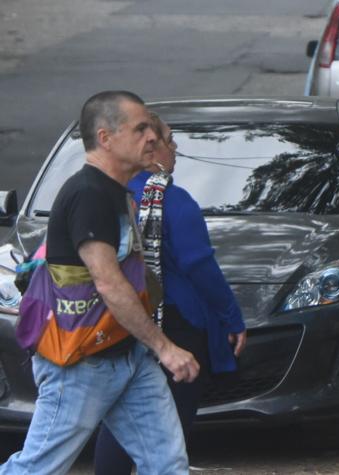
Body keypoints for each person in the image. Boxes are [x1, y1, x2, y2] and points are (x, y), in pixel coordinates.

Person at [3, 91, 199, 475]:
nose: (153, 138)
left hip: (126, 354)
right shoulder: (88, 193)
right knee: (37, 468)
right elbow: (109, 283)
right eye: (140, 128)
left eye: (151, 129)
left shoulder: (116, 193)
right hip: (81, 363)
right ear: (106, 138)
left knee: (167, 465)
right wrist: (165, 348)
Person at [94, 113, 248, 474]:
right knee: (168, 427)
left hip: (121, 323)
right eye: (169, 140)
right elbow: (200, 267)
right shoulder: (174, 201)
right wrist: (231, 316)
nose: (174, 149)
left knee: (121, 417)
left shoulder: (105, 194)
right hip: (176, 326)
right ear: (149, 149)